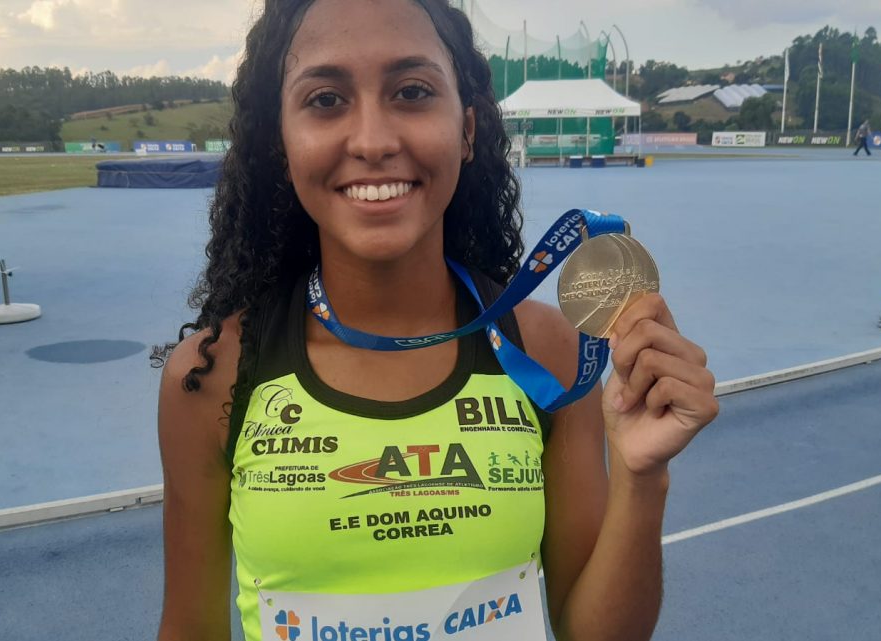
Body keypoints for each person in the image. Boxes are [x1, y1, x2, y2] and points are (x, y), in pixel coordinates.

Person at [154, 1, 718, 640]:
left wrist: (643, 480)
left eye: (412, 92)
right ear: (281, 145)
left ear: (468, 129)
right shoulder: (215, 375)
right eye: (326, 100)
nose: (373, 141)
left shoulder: (546, 353)